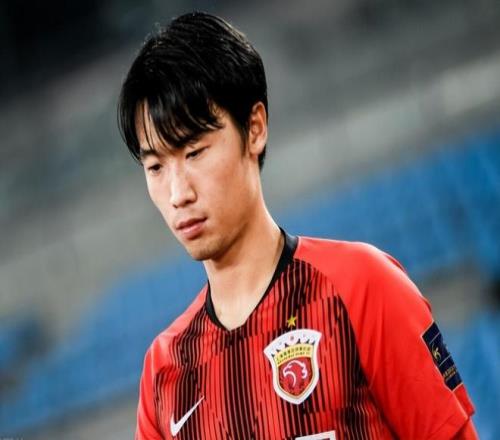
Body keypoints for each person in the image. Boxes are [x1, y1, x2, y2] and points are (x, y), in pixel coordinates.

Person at [117, 11, 477, 440]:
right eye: (155, 167)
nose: (178, 193)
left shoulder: (361, 288)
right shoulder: (164, 372)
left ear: (255, 129)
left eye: (194, 152)